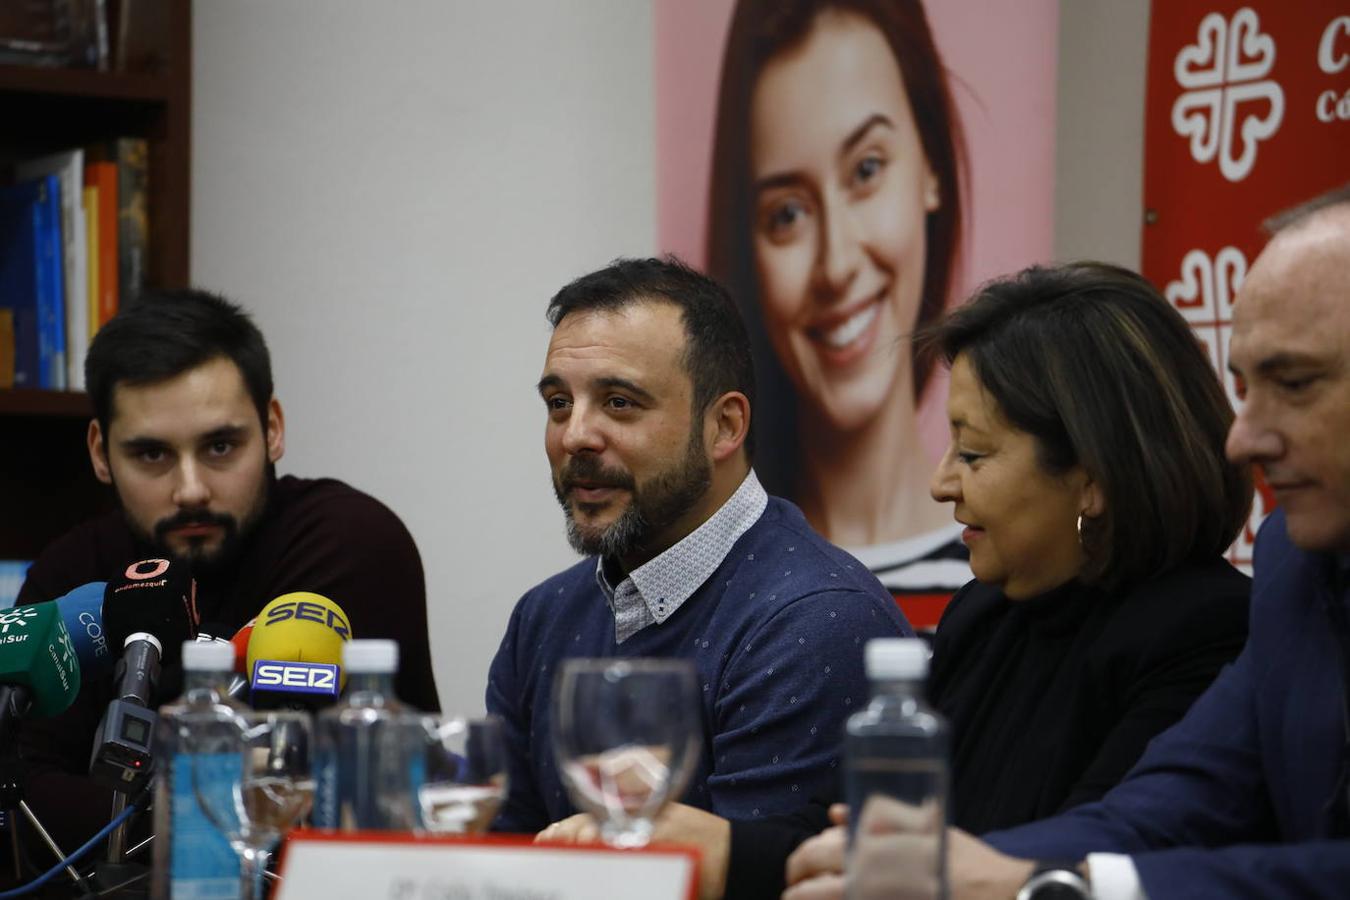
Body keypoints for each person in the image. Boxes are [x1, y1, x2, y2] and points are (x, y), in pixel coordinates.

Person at [536, 262, 1254, 900]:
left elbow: (1100, 851)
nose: (942, 483)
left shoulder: (1205, 633)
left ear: (1091, 479)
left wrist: (734, 854)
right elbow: (865, 840)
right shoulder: (989, 611)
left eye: (972, 454)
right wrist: (710, 841)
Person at [784, 186, 1350, 899]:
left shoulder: (1207, 625)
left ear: (1092, 478)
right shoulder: (1293, 571)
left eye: (1295, 384)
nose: (1245, 438)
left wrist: (1036, 884)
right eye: (1246, 389)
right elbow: (1168, 808)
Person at [487, 257, 911, 837]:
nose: (575, 435)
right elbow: (497, 860)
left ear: (725, 427)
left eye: (619, 402)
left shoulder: (814, 623)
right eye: (559, 402)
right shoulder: (542, 618)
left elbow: (754, 879)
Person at [15, 288, 439, 856]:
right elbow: (19, 792)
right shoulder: (72, 570)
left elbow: (287, 799)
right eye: (151, 455)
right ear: (99, 452)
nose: (190, 489)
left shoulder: (350, 542)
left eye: (219, 446)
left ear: (273, 430)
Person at [707, 0, 970, 626]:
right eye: (787, 213)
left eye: (867, 170)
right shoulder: (703, 582)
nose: (836, 263)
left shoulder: (1019, 579)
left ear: (931, 162)